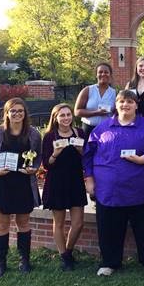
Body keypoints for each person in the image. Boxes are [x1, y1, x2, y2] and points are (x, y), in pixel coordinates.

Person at [83, 90, 144, 276]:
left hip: (142, 189)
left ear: (136, 105)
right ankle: (110, 262)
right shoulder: (102, 129)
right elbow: (88, 155)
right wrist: (89, 179)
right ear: (116, 104)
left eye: (129, 101)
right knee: (109, 228)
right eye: (121, 101)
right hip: (110, 192)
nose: (125, 105)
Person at [0, 98, 42, 277]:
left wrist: (34, 168)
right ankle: (1, 263)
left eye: (20, 111)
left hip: (23, 184)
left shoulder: (33, 134)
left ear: (25, 113)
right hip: (2, 184)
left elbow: (38, 157)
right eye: (13, 111)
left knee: (23, 223)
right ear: (6, 113)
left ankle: (25, 261)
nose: (17, 114)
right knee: (2, 224)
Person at [41, 103, 87, 271]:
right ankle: (64, 257)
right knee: (59, 222)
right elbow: (46, 164)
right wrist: (55, 153)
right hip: (57, 182)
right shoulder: (50, 137)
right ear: (56, 118)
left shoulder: (79, 133)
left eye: (68, 114)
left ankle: (68, 251)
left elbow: (86, 158)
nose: (66, 118)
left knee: (78, 223)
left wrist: (80, 150)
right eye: (62, 115)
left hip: (75, 181)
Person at [75, 63, 116, 139]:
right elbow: (77, 112)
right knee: (87, 150)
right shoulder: (87, 90)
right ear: (96, 75)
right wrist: (96, 112)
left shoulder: (114, 93)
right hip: (88, 129)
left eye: (106, 72)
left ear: (110, 74)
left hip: (107, 130)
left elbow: (117, 112)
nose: (103, 74)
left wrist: (114, 111)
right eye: (100, 72)